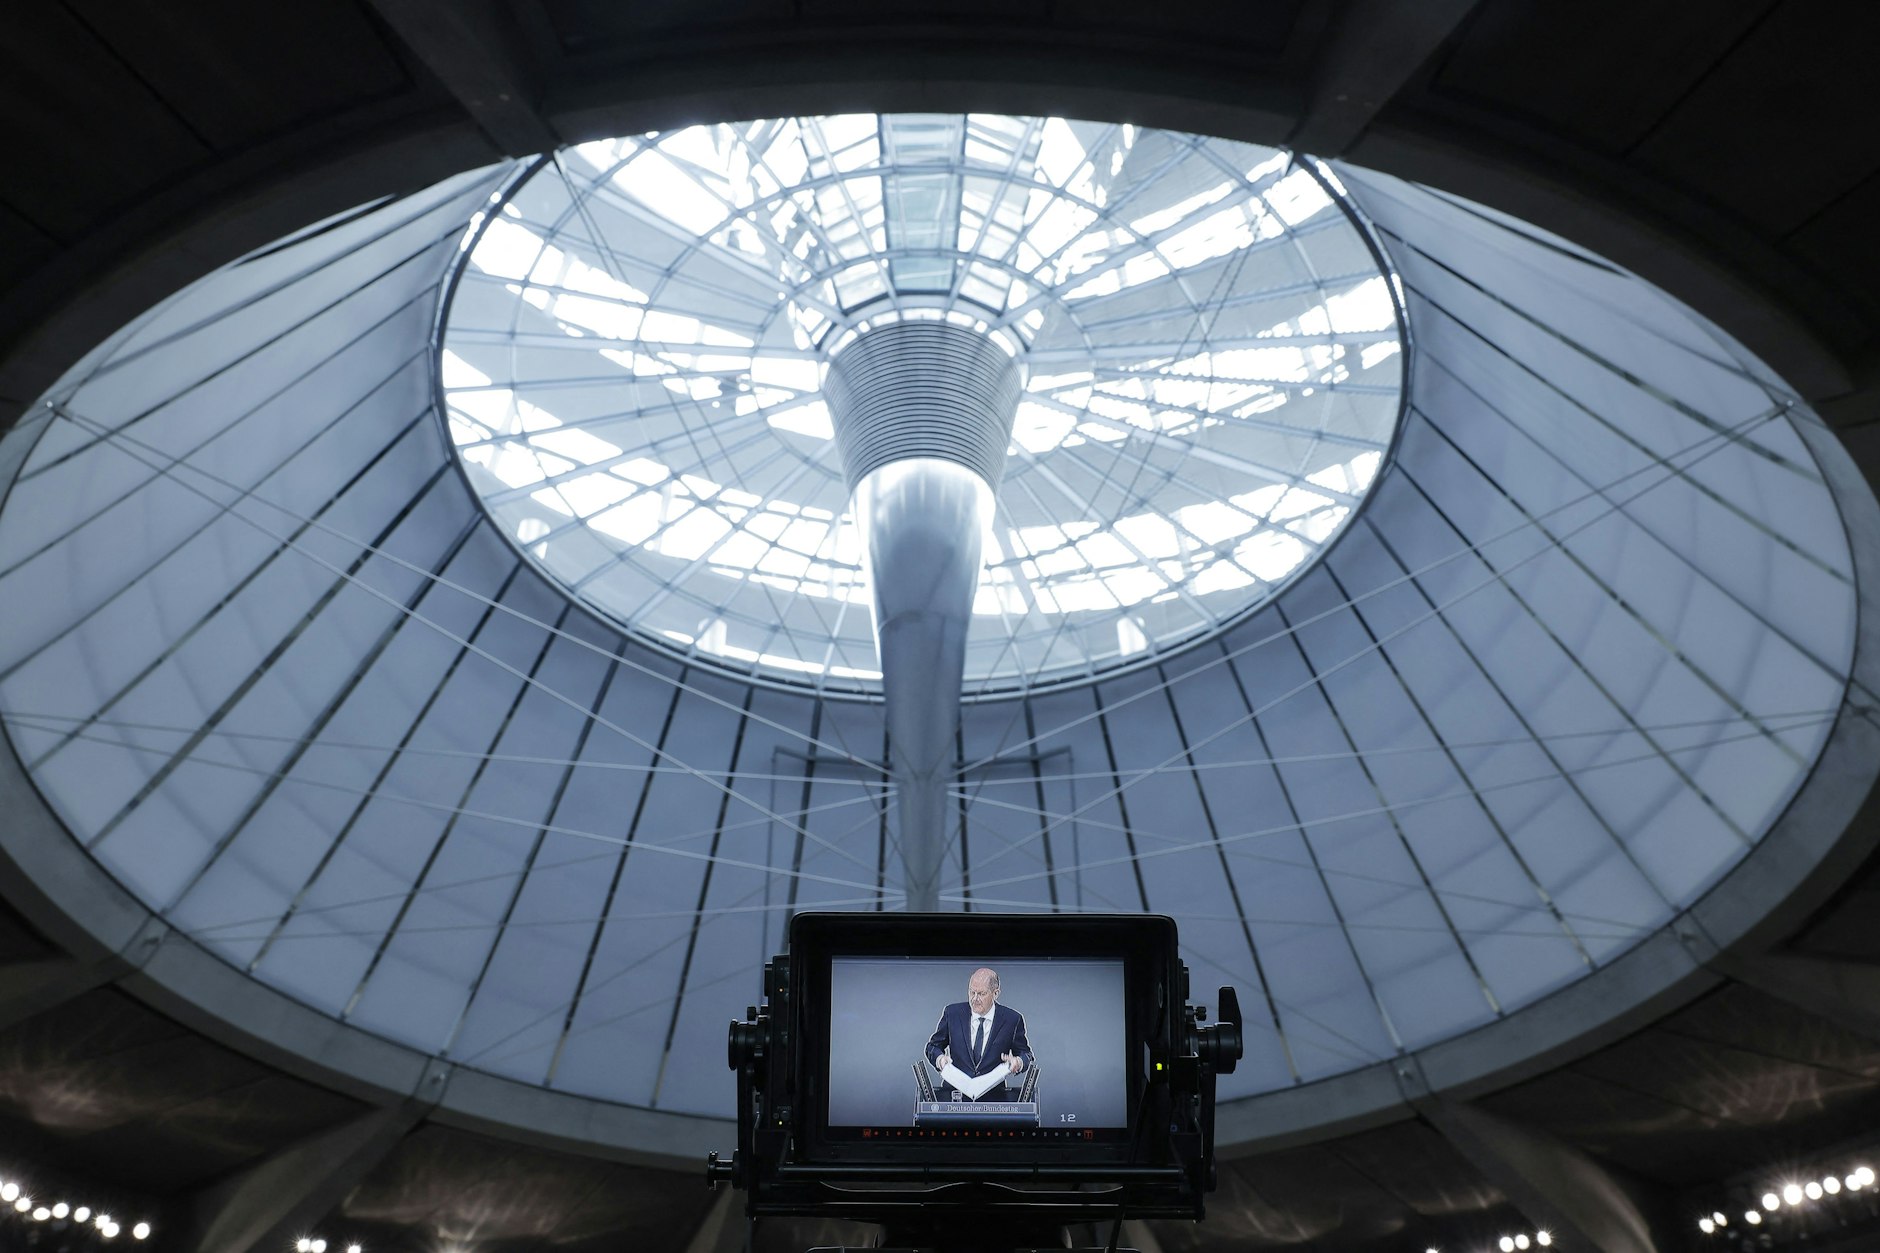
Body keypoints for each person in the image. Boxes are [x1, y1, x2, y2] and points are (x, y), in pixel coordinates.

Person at [924, 966, 1033, 1100]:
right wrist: (940, 1059)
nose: (975, 999)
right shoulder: (952, 1013)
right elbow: (932, 1047)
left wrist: (1019, 1062)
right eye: (971, 992)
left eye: (981, 994)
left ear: (995, 993)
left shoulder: (1012, 1019)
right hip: (954, 1097)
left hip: (994, 1100)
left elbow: (1026, 1054)